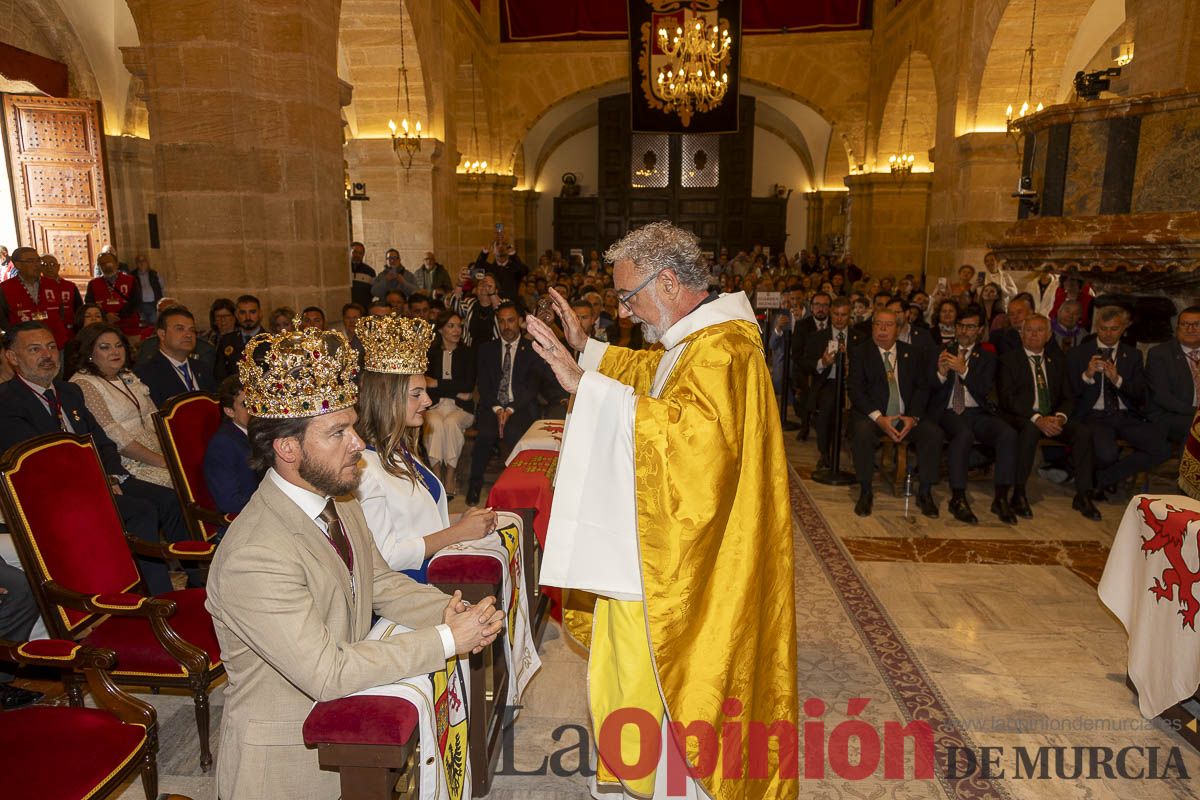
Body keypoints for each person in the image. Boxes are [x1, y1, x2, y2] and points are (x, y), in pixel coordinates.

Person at [525, 222, 796, 800]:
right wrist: (589, 352)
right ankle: (642, 773)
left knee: (674, 670)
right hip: (682, 539)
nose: (626, 311)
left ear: (669, 281)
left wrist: (585, 386)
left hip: (703, 560)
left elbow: (697, 446)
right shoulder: (698, 342)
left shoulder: (723, 350)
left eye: (630, 296)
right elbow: (656, 378)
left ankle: (677, 785)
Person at [204, 320, 504, 800]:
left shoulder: (337, 499)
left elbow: (381, 581)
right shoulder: (255, 554)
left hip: (350, 728)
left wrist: (446, 609)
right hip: (288, 764)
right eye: (338, 432)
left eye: (353, 427)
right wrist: (446, 639)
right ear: (287, 448)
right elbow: (326, 672)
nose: (358, 443)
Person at [0, 321, 187, 595]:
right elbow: (37, 463)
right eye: (35, 349)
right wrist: (97, 484)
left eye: (51, 347)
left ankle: (185, 581)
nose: (47, 355)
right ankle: (148, 596)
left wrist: (111, 476)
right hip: (54, 495)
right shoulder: (7, 401)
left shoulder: (68, 392)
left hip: (99, 479)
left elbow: (100, 441)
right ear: (13, 357)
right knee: (141, 511)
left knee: (166, 498)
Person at [354, 314, 496, 579]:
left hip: (435, 572)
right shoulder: (362, 467)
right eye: (416, 394)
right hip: (409, 589)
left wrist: (462, 519)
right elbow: (386, 556)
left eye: (425, 391)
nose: (428, 401)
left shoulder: (401, 449)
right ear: (388, 399)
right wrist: (459, 532)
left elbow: (418, 526)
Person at [997, 313, 1100, 520]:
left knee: (1082, 432)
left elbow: (1067, 397)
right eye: (1029, 330)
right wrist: (1037, 418)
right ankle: (1018, 493)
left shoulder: (1057, 360)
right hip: (1020, 417)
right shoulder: (1008, 360)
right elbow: (1007, 399)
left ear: (1049, 335)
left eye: (1039, 330)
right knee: (1030, 430)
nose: (1034, 335)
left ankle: (1083, 494)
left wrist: (1060, 418)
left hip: (1052, 418)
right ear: (1021, 334)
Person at [848, 309, 945, 518]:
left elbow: (922, 388)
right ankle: (865, 491)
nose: (882, 329)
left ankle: (925, 492)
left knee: (933, 433)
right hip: (874, 416)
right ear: (872, 327)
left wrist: (913, 417)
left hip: (905, 416)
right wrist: (879, 419)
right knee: (861, 431)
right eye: (877, 324)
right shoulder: (860, 352)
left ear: (898, 329)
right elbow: (856, 390)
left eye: (888, 325)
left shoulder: (912, 353)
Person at [465, 302, 564, 504]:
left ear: (520, 322)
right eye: (501, 321)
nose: (506, 326)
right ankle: (474, 486)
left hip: (520, 407)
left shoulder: (532, 350)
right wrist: (497, 408)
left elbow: (532, 388)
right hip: (492, 407)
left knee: (516, 435)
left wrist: (509, 409)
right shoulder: (486, 350)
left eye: (510, 320)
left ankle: (520, 488)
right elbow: (483, 385)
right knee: (485, 436)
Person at [1068, 306, 1170, 499]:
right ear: (1096, 327)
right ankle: (1103, 477)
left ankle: (1104, 479)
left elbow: (1140, 393)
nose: (1108, 334)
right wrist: (1087, 375)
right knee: (1107, 454)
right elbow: (1070, 393)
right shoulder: (1078, 353)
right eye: (1104, 328)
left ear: (1123, 329)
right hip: (1094, 415)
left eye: (1114, 328)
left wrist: (1118, 380)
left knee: (1162, 449)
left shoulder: (1133, 355)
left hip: (1126, 415)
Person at [930, 306, 1018, 524]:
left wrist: (964, 370)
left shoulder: (987, 357)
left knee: (1008, 434)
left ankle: (1000, 498)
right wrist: (941, 374)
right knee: (963, 434)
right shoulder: (939, 350)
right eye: (960, 326)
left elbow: (984, 388)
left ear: (979, 330)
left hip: (977, 411)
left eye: (970, 327)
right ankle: (958, 497)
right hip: (949, 411)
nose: (963, 331)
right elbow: (927, 387)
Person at [70, 324, 174, 490]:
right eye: (105, 347)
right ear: (89, 352)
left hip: (157, 450)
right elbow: (115, 438)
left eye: (119, 346)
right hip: (128, 462)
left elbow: (154, 416)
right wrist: (163, 461)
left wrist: (173, 451)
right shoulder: (84, 384)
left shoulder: (126, 375)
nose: (115, 352)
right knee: (178, 482)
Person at [805, 296, 863, 468]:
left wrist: (850, 363)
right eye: (836, 314)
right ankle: (825, 453)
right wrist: (822, 362)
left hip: (853, 383)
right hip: (828, 381)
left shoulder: (860, 338)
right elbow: (805, 363)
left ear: (849, 315)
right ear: (831, 313)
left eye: (843, 315)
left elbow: (868, 365)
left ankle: (858, 453)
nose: (839, 318)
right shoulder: (817, 337)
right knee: (826, 409)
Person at [424, 311, 476, 497]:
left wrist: (437, 383)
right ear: (441, 329)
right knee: (435, 424)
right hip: (434, 406)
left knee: (451, 423)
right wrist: (457, 390)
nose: (457, 330)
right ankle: (437, 475)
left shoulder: (468, 353)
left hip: (461, 409)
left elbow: (468, 384)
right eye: (451, 326)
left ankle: (450, 475)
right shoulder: (430, 353)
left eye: (459, 326)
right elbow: (425, 385)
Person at [135, 306, 216, 406]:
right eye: (180, 329)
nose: (188, 335)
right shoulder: (146, 375)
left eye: (192, 330)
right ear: (162, 334)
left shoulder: (203, 368)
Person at [203, 375, 260, 516]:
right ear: (229, 411)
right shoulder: (223, 445)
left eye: (257, 400)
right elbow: (230, 502)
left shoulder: (265, 430)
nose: (255, 408)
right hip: (247, 520)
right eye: (246, 404)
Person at [1147, 307, 1200, 447]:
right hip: (1169, 415)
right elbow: (1162, 397)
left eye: (1196, 324)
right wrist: (1197, 413)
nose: (1190, 329)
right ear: (1177, 328)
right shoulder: (1159, 354)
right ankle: (1190, 469)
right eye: (1184, 324)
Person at [0, 246, 71, 349]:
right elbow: (3, 320)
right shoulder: (5, 288)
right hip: (24, 346)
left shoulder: (52, 284)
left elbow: (60, 313)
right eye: (31, 261)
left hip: (55, 342)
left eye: (38, 260)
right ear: (18, 264)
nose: (37, 265)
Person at [86, 250, 141, 338]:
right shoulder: (93, 284)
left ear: (116, 263)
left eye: (108, 262)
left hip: (128, 327)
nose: (106, 266)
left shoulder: (130, 280)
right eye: (102, 264)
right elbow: (90, 304)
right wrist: (105, 316)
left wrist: (118, 316)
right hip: (104, 329)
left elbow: (136, 301)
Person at [214, 294, 264, 380]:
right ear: (236, 315)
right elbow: (219, 375)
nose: (248, 317)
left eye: (252, 312)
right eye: (242, 312)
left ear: (260, 313)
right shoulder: (226, 341)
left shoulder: (271, 341)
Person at [39, 253, 82, 332]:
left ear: (58, 267)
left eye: (52, 264)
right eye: (44, 264)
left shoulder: (70, 286)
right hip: (47, 330)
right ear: (40, 268)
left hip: (69, 329)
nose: (49, 267)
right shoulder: (38, 287)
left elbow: (79, 309)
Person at [132, 254, 165, 326]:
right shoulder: (132, 275)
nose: (141, 263)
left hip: (153, 305)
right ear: (136, 263)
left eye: (143, 261)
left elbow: (162, 288)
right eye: (139, 261)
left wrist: (162, 303)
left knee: (154, 326)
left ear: (147, 262)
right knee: (143, 327)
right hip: (140, 306)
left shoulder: (154, 274)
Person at [349, 240, 376, 308]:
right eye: (354, 252)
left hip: (363, 308)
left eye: (360, 253)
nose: (357, 255)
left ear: (363, 255)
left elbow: (373, 292)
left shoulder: (370, 272)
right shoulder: (342, 270)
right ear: (349, 252)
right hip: (346, 308)